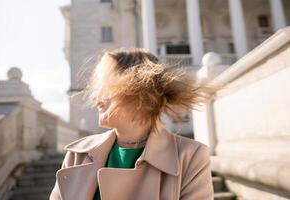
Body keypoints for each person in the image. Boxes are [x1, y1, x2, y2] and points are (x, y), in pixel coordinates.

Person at [49, 48, 217, 200]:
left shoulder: (190, 156)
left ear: (138, 91)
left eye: (106, 87)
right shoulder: (78, 154)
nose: (96, 98)